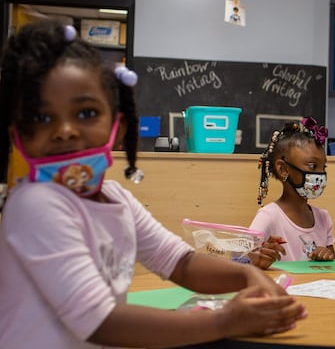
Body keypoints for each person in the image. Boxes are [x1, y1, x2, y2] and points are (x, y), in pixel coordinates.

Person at [0, 20, 306, 348]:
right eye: (42, 118)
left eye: (86, 113)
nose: (65, 130)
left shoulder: (115, 197)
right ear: (19, 134)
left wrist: (248, 275)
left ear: (117, 128)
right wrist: (223, 320)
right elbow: (99, 321)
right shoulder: (35, 203)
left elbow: (179, 262)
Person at [249, 118, 335, 268]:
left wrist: (326, 255)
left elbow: (332, 262)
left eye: (323, 168)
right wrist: (259, 258)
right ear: (283, 169)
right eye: (313, 166)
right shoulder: (269, 216)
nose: (320, 175)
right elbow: (244, 258)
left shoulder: (323, 218)